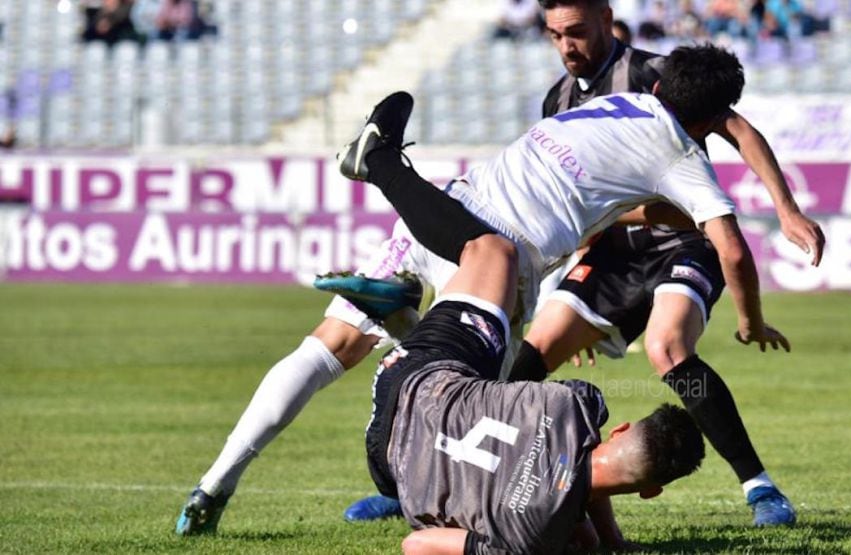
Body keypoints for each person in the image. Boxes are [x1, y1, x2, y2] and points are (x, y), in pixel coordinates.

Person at [175, 44, 787, 535]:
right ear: (711, 119)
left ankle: (213, 486)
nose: (564, 43)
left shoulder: (618, 101)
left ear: (659, 85)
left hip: (447, 209)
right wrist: (752, 318)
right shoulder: (681, 156)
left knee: (326, 347)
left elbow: (616, 198)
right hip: (502, 259)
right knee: (468, 408)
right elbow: (730, 247)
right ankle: (409, 466)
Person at [348, 0, 822, 527]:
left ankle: (759, 486)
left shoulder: (652, 73)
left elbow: (739, 134)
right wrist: (564, 293)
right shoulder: (562, 99)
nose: (566, 46)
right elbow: (574, 205)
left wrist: (786, 209)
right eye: (554, 36)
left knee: (667, 347)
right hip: (614, 245)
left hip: (682, 242)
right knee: (533, 351)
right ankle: (431, 471)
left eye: (574, 32)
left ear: (604, 19)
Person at [359, 288, 705, 553]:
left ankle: (407, 322)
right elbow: (416, 545)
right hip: (387, 462)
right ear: (650, 491)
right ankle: (405, 328)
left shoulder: (577, 403)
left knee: (494, 254)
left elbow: (580, 457)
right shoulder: (530, 540)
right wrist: (594, 534)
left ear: (620, 429)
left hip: (414, 377)